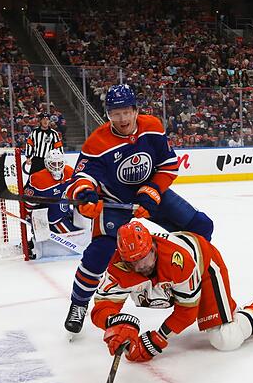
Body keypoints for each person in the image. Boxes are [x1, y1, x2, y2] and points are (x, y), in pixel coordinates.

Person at [63, 84, 214, 336]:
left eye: (126, 112)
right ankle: (78, 304)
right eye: (115, 113)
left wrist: (152, 192)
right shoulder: (97, 142)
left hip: (150, 197)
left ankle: (189, 283)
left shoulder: (152, 127)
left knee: (201, 226)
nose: (121, 119)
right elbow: (81, 177)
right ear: (108, 114)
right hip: (114, 202)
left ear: (135, 111)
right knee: (99, 253)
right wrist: (86, 195)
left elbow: (168, 165)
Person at [91, 222, 253, 361]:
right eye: (133, 262)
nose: (141, 266)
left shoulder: (177, 260)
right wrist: (113, 322)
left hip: (204, 267)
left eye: (145, 258)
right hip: (177, 283)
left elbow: (186, 312)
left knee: (225, 339)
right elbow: (101, 309)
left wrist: (158, 338)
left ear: (152, 245)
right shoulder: (118, 267)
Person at [23, 150, 80, 234]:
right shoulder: (38, 179)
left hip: (66, 213)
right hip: (51, 220)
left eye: (59, 163)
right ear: (47, 164)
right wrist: (31, 216)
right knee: (75, 235)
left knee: (85, 228)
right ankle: (36, 241)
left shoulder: (69, 172)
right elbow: (29, 202)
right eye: (53, 164)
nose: (57, 167)